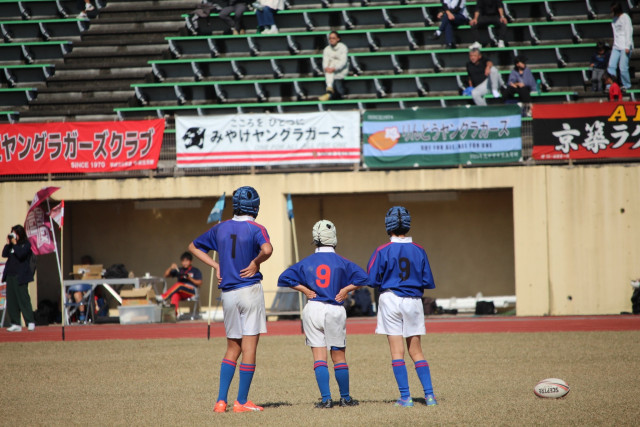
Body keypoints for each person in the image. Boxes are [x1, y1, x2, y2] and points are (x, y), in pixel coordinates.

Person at [189, 186, 273, 413]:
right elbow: (267, 249)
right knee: (249, 347)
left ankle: (220, 401)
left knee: (232, 347)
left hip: (228, 294)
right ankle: (242, 401)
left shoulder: (221, 227)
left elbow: (193, 246)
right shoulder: (257, 228)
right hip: (249, 291)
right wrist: (256, 262)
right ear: (255, 206)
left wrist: (216, 265)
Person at [277, 220, 369, 408]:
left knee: (319, 357)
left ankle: (326, 399)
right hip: (334, 309)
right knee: (339, 357)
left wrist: (304, 289)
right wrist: (346, 290)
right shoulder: (342, 261)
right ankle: (345, 398)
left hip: (313, 309)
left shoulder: (307, 262)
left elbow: (284, 278)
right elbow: (364, 278)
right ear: (333, 238)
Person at [367, 206, 437, 407]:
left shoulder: (382, 250)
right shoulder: (419, 250)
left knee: (397, 352)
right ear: (408, 225)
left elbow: (371, 279)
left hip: (390, 299)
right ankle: (430, 396)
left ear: (387, 226)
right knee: (417, 351)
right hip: (413, 301)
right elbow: (427, 281)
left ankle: (406, 397)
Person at [2, 225, 35, 332]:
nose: (13, 235)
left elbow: (21, 255)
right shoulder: (11, 246)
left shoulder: (26, 244)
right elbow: (4, 254)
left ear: (20, 234)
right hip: (10, 275)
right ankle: (15, 323)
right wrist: (9, 243)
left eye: (15, 233)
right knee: (12, 301)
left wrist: (15, 244)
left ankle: (30, 321)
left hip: (20, 276)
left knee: (23, 299)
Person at [606, 2, 633, 92]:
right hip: (616, 46)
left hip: (625, 46)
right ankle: (611, 84)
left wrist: (628, 46)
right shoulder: (614, 20)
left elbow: (628, 31)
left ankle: (626, 84)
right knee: (611, 65)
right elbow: (616, 34)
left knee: (623, 67)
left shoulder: (625, 17)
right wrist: (614, 45)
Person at [319, 31, 349, 102]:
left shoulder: (343, 47)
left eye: (333, 38)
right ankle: (329, 89)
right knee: (328, 67)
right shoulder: (326, 49)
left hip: (341, 70)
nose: (331, 40)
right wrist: (326, 68)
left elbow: (343, 62)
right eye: (330, 38)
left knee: (332, 67)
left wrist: (335, 68)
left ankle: (329, 91)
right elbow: (325, 62)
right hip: (331, 71)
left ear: (338, 39)